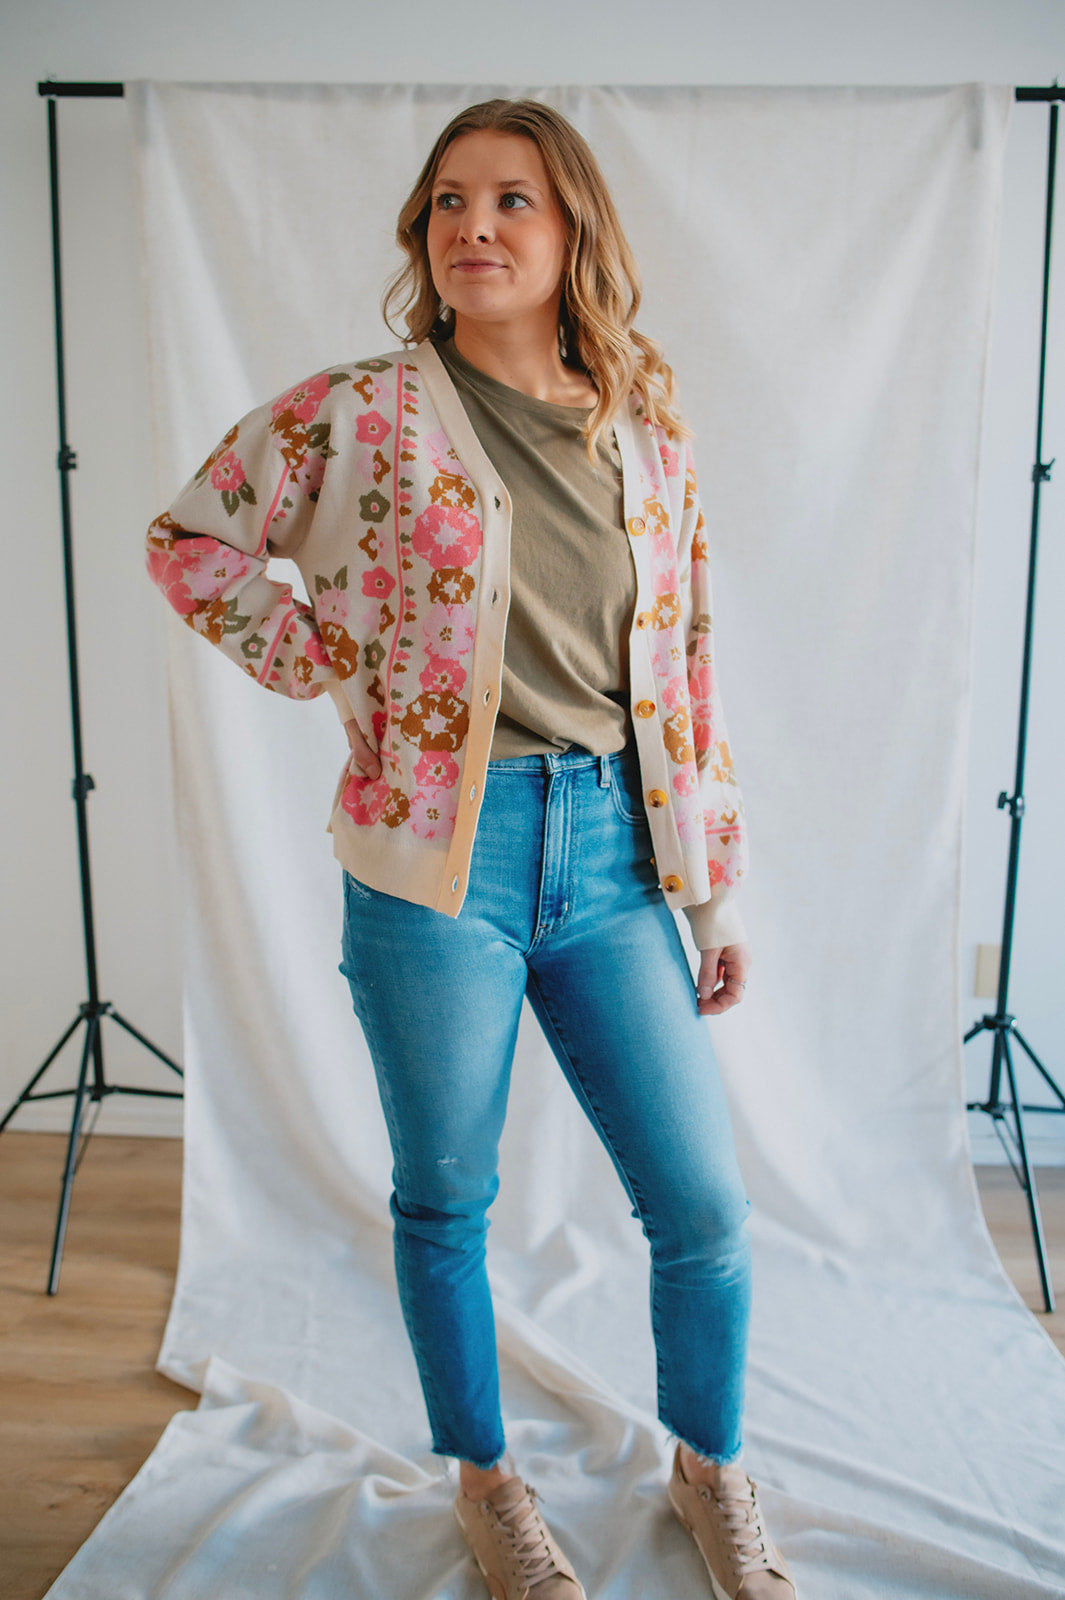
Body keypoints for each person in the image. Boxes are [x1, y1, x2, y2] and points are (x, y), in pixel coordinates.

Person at [146, 97, 795, 1600]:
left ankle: (709, 1466)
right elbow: (192, 539)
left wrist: (712, 893)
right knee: (444, 1195)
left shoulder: (647, 431)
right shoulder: (360, 414)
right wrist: (317, 657)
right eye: (448, 200)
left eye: (511, 200)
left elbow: (686, 670)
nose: (473, 228)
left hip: (616, 857)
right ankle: (488, 1483)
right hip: (435, 866)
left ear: (574, 233)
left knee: (702, 1208)